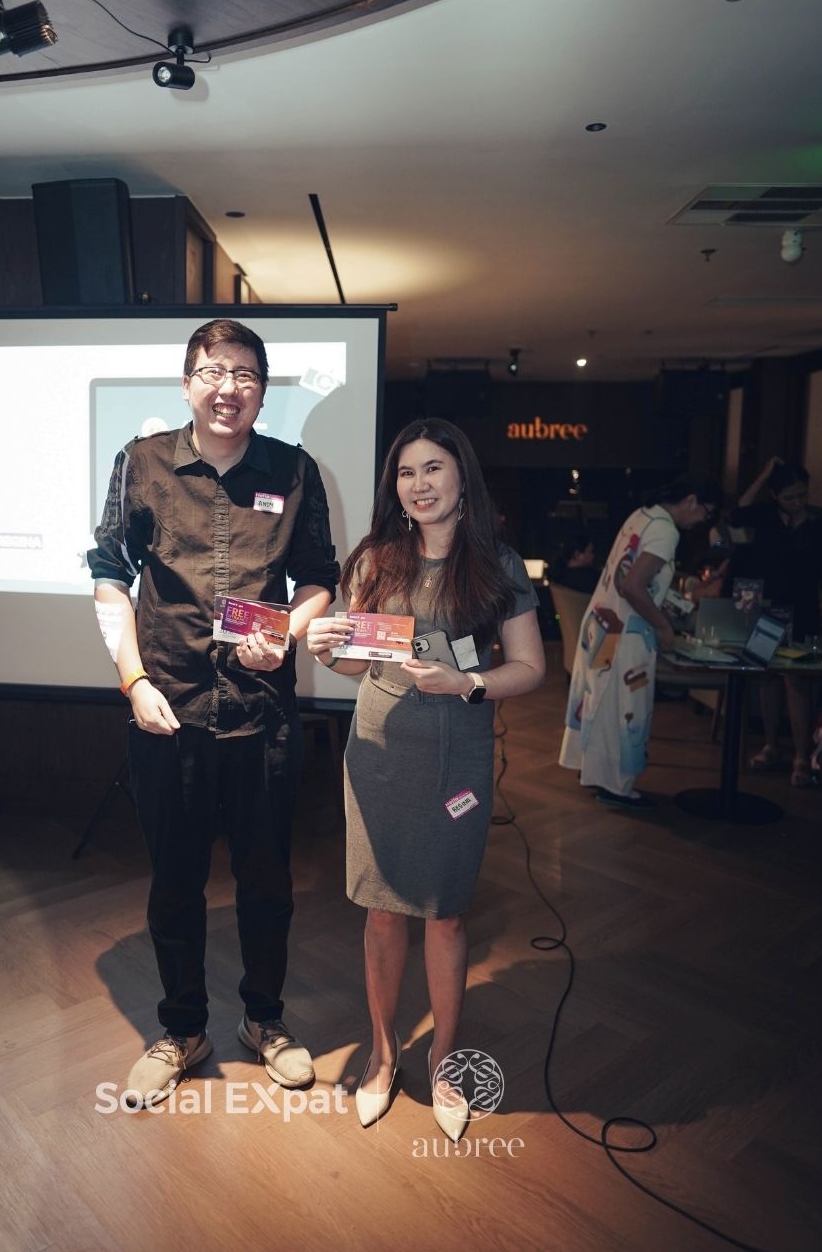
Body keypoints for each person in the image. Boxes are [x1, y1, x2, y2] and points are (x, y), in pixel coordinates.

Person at [88, 318, 339, 1099]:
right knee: (174, 883)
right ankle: (181, 1031)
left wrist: (288, 632)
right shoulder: (143, 463)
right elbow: (108, 577)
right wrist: (134, 681)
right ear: (188, 382)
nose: (228, 387)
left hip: (263, 714)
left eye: (245, 374)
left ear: (262, 390)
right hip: (169, 711)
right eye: (213, 371)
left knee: (268, 882)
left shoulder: (294, 470)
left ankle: (265, 1019)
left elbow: (319, 579)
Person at [306, 419, 544, 1137]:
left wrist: (466, 683)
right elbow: (357, 662)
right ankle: (382, 1057)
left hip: (458, 756)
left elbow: (530, 668)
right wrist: (325, 649)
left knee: (446, 912)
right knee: (382, 911)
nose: (419, 484)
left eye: (433, 468)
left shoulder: (498, 564)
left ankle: (444, 1060)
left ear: (462, 477)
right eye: (406, 473)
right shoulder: (376, 559)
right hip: (378, 753)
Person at [558, 474, 721, 810]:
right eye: (705, 512)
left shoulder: (643, 514)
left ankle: (596, 772)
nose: (702, 521)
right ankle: (617, 786)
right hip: (627, 632)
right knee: (626, 707)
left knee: (601, 700)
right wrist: (663, 627)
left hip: (604, 622)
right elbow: (633, 586)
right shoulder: (665, 530)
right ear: (691, 500)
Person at [731, 458, 822, 786]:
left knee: (796, 679)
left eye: (802, 495)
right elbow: (738, 512)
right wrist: (764, 473)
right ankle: (771, 744)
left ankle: (801, 754)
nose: (797, 502)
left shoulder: (819, 524)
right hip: (766, 606)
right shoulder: (766, 516)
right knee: (767, 676)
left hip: (803, 607)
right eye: (789, 497)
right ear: (775, 495)